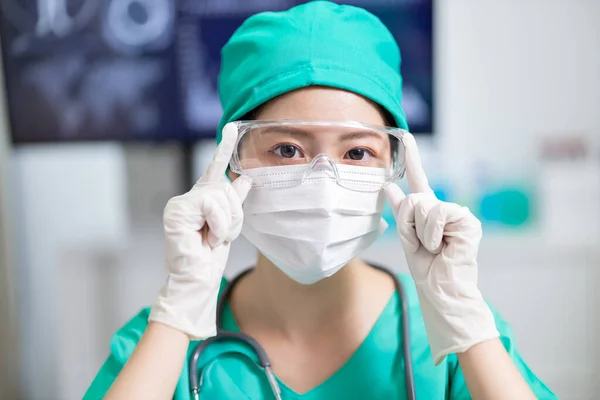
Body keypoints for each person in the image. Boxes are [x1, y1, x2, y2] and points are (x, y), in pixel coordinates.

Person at [84, 2, 556, 399]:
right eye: (287, 149)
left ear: (395, 165)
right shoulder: (165, 338)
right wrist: (180, 310)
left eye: (357, 152)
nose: (323, 180)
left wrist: (465, 321)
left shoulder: (455, 335)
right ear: (232, 164)